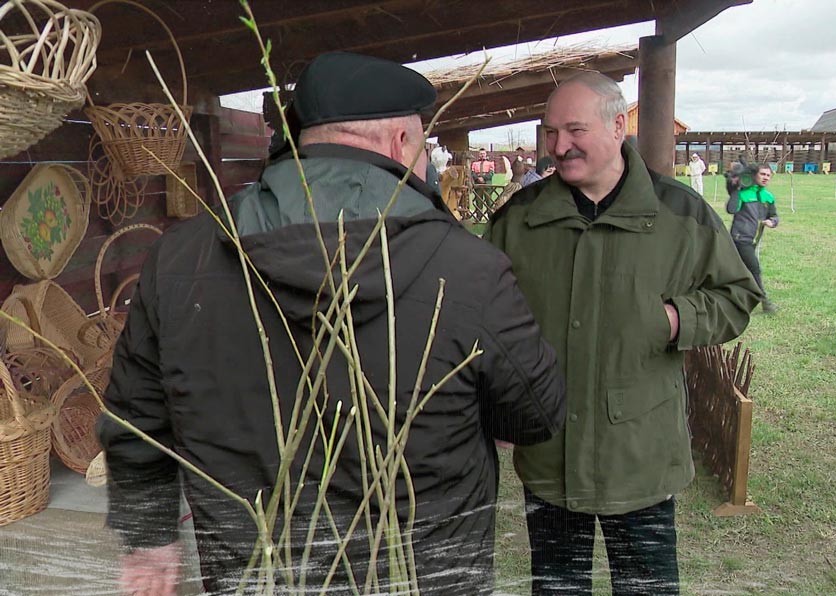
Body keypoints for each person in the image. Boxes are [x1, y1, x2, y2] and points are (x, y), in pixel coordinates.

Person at [98, 52, 565, 596]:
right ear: (400, 143)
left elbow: (135, 420)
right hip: (422, 581)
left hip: (256, 579)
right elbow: (536, 412)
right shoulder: (466, 270)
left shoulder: (182, 257)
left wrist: (151, 540)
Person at [484, 72, 762, 595]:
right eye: (550, 133)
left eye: (574, 130)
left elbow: (737, 297)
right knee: (557, 588)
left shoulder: (682, 215)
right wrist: (497, 396)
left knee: (647, 589)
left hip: (641, 456)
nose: (559, 146)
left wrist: (676, 319)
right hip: (549, 453)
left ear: (617, 127)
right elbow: (484, 318)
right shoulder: (518, 220)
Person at [726, 162, 780, 313]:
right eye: (762, 174)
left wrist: (772, 222)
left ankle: (735, 300)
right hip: (740, 239)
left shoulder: (768, 197)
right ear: (754, 175)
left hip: (754, 240)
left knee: (738, 271)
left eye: (768, 175)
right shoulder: (743, 194)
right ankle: (765, 302)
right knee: (754, 269)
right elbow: (731, 209)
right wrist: (736, 189)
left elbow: (774, 215)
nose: (765, 178)